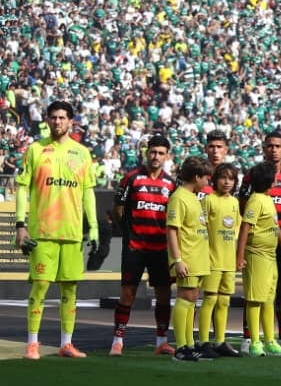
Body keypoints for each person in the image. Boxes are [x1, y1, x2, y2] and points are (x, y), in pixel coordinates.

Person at [14, 100, 99, 360]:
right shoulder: (35, 149)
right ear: (47, 120)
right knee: (40, 286)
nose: (57, 121)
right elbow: (22, 188)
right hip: (42, 232)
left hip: (72, 233)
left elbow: (88, 192)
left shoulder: (82, 153)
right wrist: (20, 225)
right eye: (53, 117)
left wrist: (93, 227)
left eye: (62, 117)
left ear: (71, 121)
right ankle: (32, 344)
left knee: (70, 289)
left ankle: (66, 344)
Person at [237, 131, 281, 353]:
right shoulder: (253, 176)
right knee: (255, 294)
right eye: (270, 146)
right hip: (259, 245)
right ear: (263, 148)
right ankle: (249, 338)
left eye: (277, 146)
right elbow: (243, 207)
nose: (273, 149)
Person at [110, 133, 176, 356]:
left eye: (161, 153)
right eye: (153, 152)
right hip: (135, 247)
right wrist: (129, 232)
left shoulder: (171, 184)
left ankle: (162, 342)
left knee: (164, 295)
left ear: (167, 156)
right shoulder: (131, 178)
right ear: (147, 153)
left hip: (161, 249)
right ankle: (117, 341)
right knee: (128, 293)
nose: (156, 156)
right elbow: (118, 210)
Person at [237, 162, 281, 356]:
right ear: (270, 180)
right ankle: (255, 342)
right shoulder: (256, 200)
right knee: (254, 299)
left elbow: (274, 227)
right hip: (256, 254)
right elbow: (245, 227)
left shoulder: (267, 199)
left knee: (268, 299)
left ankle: (270, 341)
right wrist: (240, 256)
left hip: (269, 255)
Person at [166, 156, 214, 362]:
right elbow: (172, 230)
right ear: (196, 177)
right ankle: (180, 347)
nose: (208, 182)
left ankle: (190, 344)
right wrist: (178, 260)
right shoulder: (179, 198)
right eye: (206, 178)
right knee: (184, 298)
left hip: (198, 257)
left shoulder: (194, 197)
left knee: (192, 299)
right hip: (187, 257)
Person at [197, 163, 242, 357]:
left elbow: (236, 231)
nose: (227, 182)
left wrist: (238, 257)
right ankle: (203, 341)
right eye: (223, 177)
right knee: (209, 300)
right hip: (212, 260)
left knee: (224, 302)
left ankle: (220, 341)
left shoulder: (234, 203)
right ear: (215, 179)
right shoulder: (208, 200)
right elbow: (200, 230)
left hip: (229, 262)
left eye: (231, 178)